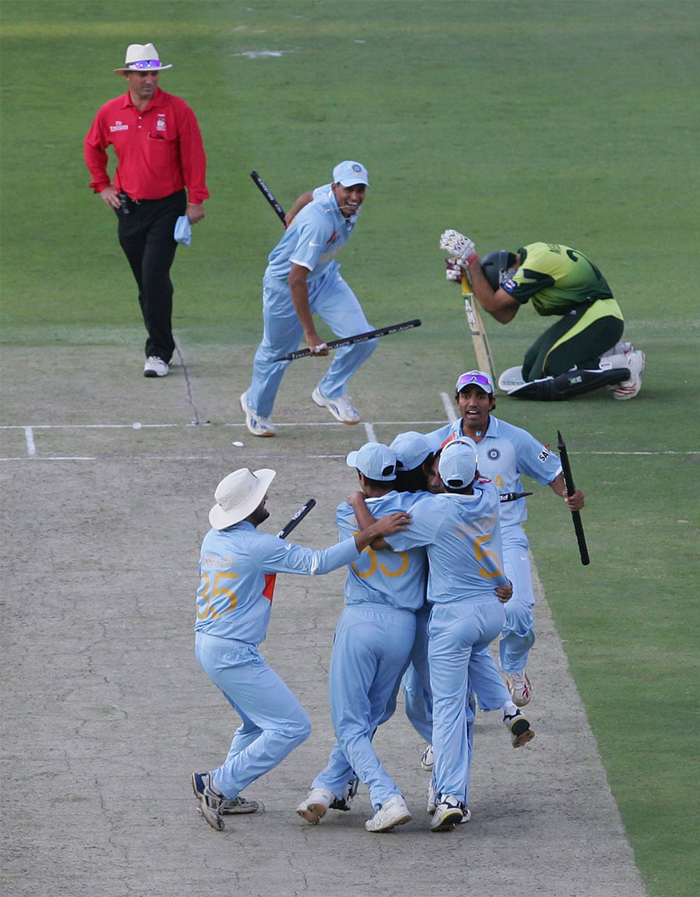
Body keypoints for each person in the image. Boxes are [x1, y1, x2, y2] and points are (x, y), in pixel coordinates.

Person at [190, 466, 410, 832]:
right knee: (292, 726)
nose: (265, 498)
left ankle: (227, 793)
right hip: (233, 653)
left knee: (254, 723)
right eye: (260, 496)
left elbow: (251, 564)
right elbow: (318, 563)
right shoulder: (259, 546)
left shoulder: (214, 539)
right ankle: (216, 785)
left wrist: (268, 556)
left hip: (208, 646)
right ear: (249, 507)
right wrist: (372, 531)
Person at [426, 370, 585, 708]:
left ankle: (514, 666)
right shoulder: (438, 441)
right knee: (455, 617)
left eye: (480, 396)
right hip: (456, 540)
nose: (473, 403)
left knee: (517, 609)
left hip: (505, 534)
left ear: (491, 402)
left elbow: (554, 472)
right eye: (466, 396)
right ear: (458, 401)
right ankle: (463, 686)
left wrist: (568, 495)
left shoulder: (515, 438)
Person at [377, 440, 513, 831]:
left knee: (449, 711)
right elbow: (477, 477)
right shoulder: (487, 495)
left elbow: (384, 540)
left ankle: (451, 796)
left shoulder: (432, 511)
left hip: (452, 620)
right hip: (490, 611)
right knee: (465, 689)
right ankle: (507, 710)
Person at [296, 443, 427, 833]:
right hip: (402, 626)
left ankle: (387, 796)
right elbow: (385, 538)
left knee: (350, 723)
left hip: (360, 620)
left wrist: (357, 502)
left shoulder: (345, 509)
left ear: (361, 478)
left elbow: (368, 539)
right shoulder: (418, 508)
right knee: (369, 715)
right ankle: (325, 789)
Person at [84, 43, 209, 378]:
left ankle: (159, 353)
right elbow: (93, 147)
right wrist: (103, 185)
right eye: (142, 73)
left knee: (153, 277)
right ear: (127, 76)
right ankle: (161, 336)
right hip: (128, 209)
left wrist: (195, 200)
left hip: (167, 207)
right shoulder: (111, 112)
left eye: (154, 73)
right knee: (148, 282)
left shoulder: (177, 110)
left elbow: (193, 156)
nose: (149, 80)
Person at [240, 161, 376, 436]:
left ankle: (330, 391)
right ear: (337, 187)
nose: (355, 196)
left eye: (360, 190)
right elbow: (295, 280)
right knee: (277, 352)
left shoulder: (341, 200)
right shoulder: (319, 222)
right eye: (349, 189)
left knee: (364, 338)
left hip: (325, 279)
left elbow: (307, 196)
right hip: (284, 287)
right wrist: (311, 335)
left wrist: (291, 215)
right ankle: (256, 408)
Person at [439, 230, 645, 401]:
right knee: (530, 369)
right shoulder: (528, 259)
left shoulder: (534, 267)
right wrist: (471, 281)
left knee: (550, 369)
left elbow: (493, 304)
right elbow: (505, 316)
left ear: (507, 275)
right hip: (587, 315)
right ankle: (609, 353)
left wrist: (472, 262)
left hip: (602, 317)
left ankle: (624, 365)